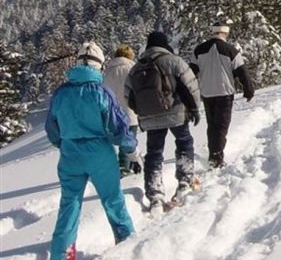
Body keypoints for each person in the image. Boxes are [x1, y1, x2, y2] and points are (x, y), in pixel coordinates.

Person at [45, 41, 137, 260]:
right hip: (100, 153)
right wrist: (130, 149)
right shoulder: (101, 92)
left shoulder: (60, 94)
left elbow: (52, 129)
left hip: (70, 154)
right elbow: (119, 127)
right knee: (113, 201)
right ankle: (128, 246)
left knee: (69, 204)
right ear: (99, 66)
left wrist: (65, 143)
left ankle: (61, 254)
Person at [125, 31, 201, 210]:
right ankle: (185, 178)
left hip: (150, 117)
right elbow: (191, 86)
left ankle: (154, 192)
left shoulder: (136, 67)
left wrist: (143, 112)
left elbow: (129, 95)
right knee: (184, 142)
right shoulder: (174, 61)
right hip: (176, 113)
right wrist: (194, 108)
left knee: (154, 152)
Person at [190, 23, 254, 169]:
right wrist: (248, 90)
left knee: (212, 125)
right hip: (224, 92)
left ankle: (213, 152)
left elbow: (191, 71)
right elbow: (242, 71)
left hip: (206, 92)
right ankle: (216, 157)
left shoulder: (199, 50)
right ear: (225, 34)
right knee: (222, 125)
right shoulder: (231, 50)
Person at [102, 44, 142, 177]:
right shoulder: (132, 69)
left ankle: (121, 166)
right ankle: (126, 168)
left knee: (119, 140)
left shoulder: (108, 71)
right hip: (130, 111)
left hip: (113, 114)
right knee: (129, 141)